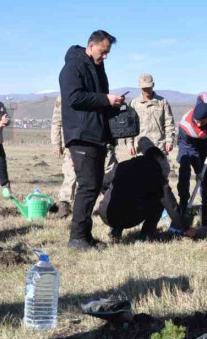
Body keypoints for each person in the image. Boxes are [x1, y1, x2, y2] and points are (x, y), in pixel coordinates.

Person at [58, 30, 124, 250]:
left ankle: (85, 237)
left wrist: (111, 104)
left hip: (96, 135)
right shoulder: (73, 67)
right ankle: (76, 238)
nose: (105, 57)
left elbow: (96, 100)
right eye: (103, 52)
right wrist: (106, 98)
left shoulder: (96, 68)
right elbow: (74, 97)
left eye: (107, 53)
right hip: (81, 135)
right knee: (87, 187)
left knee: (93, 187)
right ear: (91, 45)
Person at [100, 139, 194, 240]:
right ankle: (147, 233)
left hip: (106, 214)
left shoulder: (123, 165)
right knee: (159, 201)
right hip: (127, 217)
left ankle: (116, 230)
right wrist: (185, 228)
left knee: (125, 200)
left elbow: (103, 183)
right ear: (160, 162)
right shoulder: (156, 174)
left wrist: (108, 196)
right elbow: (171, 206)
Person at [176, 98, 207, 229]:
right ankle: (183, 209)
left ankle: (205, 217)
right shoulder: (187, 126)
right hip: (188, 146)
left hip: (206, 145)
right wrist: (198, 171)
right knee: (184, 173)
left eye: (202, 121)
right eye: (196, 120)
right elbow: (192, 152)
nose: (198, 123)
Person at [124, 73, 175, 156]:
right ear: (140, 87)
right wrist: (130, 144)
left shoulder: (162, 102)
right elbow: (130, 126)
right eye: (144, 88)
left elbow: (169, 123)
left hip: (159, 146)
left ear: (153, 85)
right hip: (141, 147)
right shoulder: (134, 104)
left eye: (148, 87)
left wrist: (169, 141)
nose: (147, 90)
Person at [50, 95, 75, 219]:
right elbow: (57, 122)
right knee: (71, 174)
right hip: (71, 142)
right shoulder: (64, 96)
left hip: (92, 141)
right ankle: (64, 205)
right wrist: (56, 143)